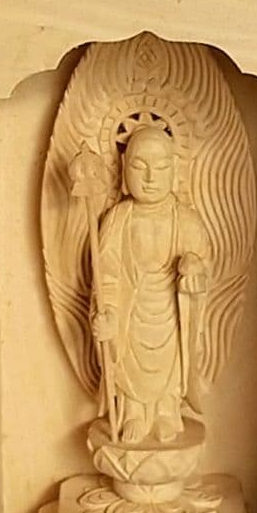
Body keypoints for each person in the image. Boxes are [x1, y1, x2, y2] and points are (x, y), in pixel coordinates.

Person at [91, 124, 209, 444]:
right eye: (139, 166)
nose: (150, 177)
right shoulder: (118, 219)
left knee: (171, 361)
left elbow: (204, 269)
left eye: (161, 167)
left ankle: (166, 411)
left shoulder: (187, 221)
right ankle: (132, 412)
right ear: (123, 170)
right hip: (130, 312)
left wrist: (194, 272)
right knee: (127, 359)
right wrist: (108, 313)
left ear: (175, 171)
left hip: (171, 312)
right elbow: (106, 274)